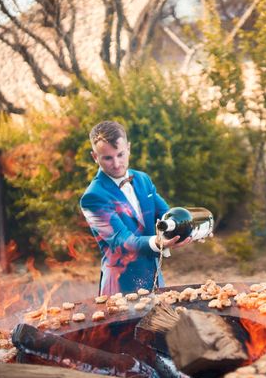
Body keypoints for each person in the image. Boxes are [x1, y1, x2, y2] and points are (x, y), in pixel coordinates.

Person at [80, 120, 190, 295]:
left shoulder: (143, 179)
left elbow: (166, 215)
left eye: (120, 154)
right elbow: (122, 241)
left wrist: (192, 228)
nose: (116, 164)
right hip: (120, 289)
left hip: (155, 280)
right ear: (95, 156)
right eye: (108, 158)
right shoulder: (93, 197)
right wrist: (157, 242)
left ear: (129, 148)